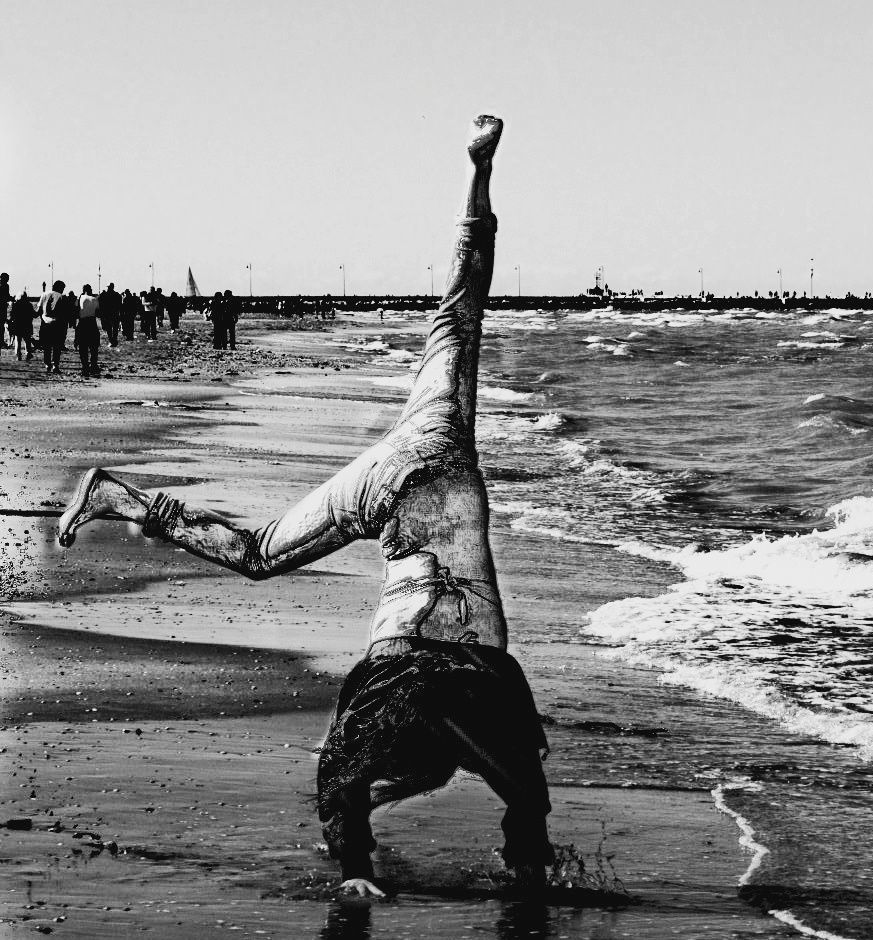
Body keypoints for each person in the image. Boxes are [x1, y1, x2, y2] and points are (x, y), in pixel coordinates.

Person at [57, 116, 552, 897]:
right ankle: (127, 499)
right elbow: (476, 783)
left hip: (417, 458)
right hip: (424, 610)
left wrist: (479, 174)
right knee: (445, 771)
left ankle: (127, 498)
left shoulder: (441, 404)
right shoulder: (452, 716)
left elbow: (465, 290)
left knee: (262, 554)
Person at [36, 280, 67, 374]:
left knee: (47, 345)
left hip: (45, 323)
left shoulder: (44, 294)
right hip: (57, 323)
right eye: (62, 288)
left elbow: (38, 310)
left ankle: (47, 364)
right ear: (59, 287)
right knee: (57, 346)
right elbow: (63, 313)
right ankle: (55, 365)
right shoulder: (61, 297)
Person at [75, 284, 102, 377]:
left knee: (83, 347)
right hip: (92, 323)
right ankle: (93, 366)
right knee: (94, 347)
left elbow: (76, 311)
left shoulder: (79, 299)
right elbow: (98, 313)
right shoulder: (95, 299)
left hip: (82, 323)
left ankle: (85, 367)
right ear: (90, 290)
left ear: (83, 290)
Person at [10, 291, 35, 360]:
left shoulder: (15, 305)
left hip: (17, 325)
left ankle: (18, 355)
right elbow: (33, 314)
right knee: (27, 340)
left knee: (18, 340)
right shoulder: (29, 305)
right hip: (27, 325)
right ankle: (28, 354)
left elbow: (12, 315)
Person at [98, 282, 122, 347]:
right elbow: (120, 306)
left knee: (109, 329)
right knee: (114, 329)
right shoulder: (117, 295)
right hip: (115, 314)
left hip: (108, 314)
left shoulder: (104, 295)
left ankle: (111, 341)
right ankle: (114, 340)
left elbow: (100, 304)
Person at [0, 273, 11, 346]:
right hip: (2, 307)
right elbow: (7, 296)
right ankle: (1, 341)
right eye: (7, 278)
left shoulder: (4, 285)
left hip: (3, 306)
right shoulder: (5, 286)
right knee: (1, 325)